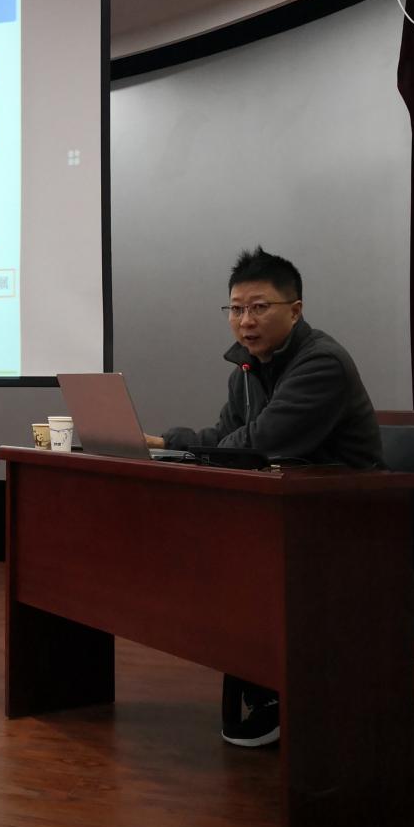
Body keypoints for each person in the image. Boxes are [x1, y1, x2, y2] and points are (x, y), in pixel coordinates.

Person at [144, 246, 384, 748]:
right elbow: (225, 436)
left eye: (259, 307)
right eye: (235, 309)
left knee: (237, 560)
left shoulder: (322, 363)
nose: (245, 321)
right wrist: (164, 443)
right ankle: (263, 685)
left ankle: (282, 693)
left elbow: (258, 443)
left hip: (349, 523)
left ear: (295, 310)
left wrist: (197, 449)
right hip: (289, 514)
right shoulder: (247, 371)